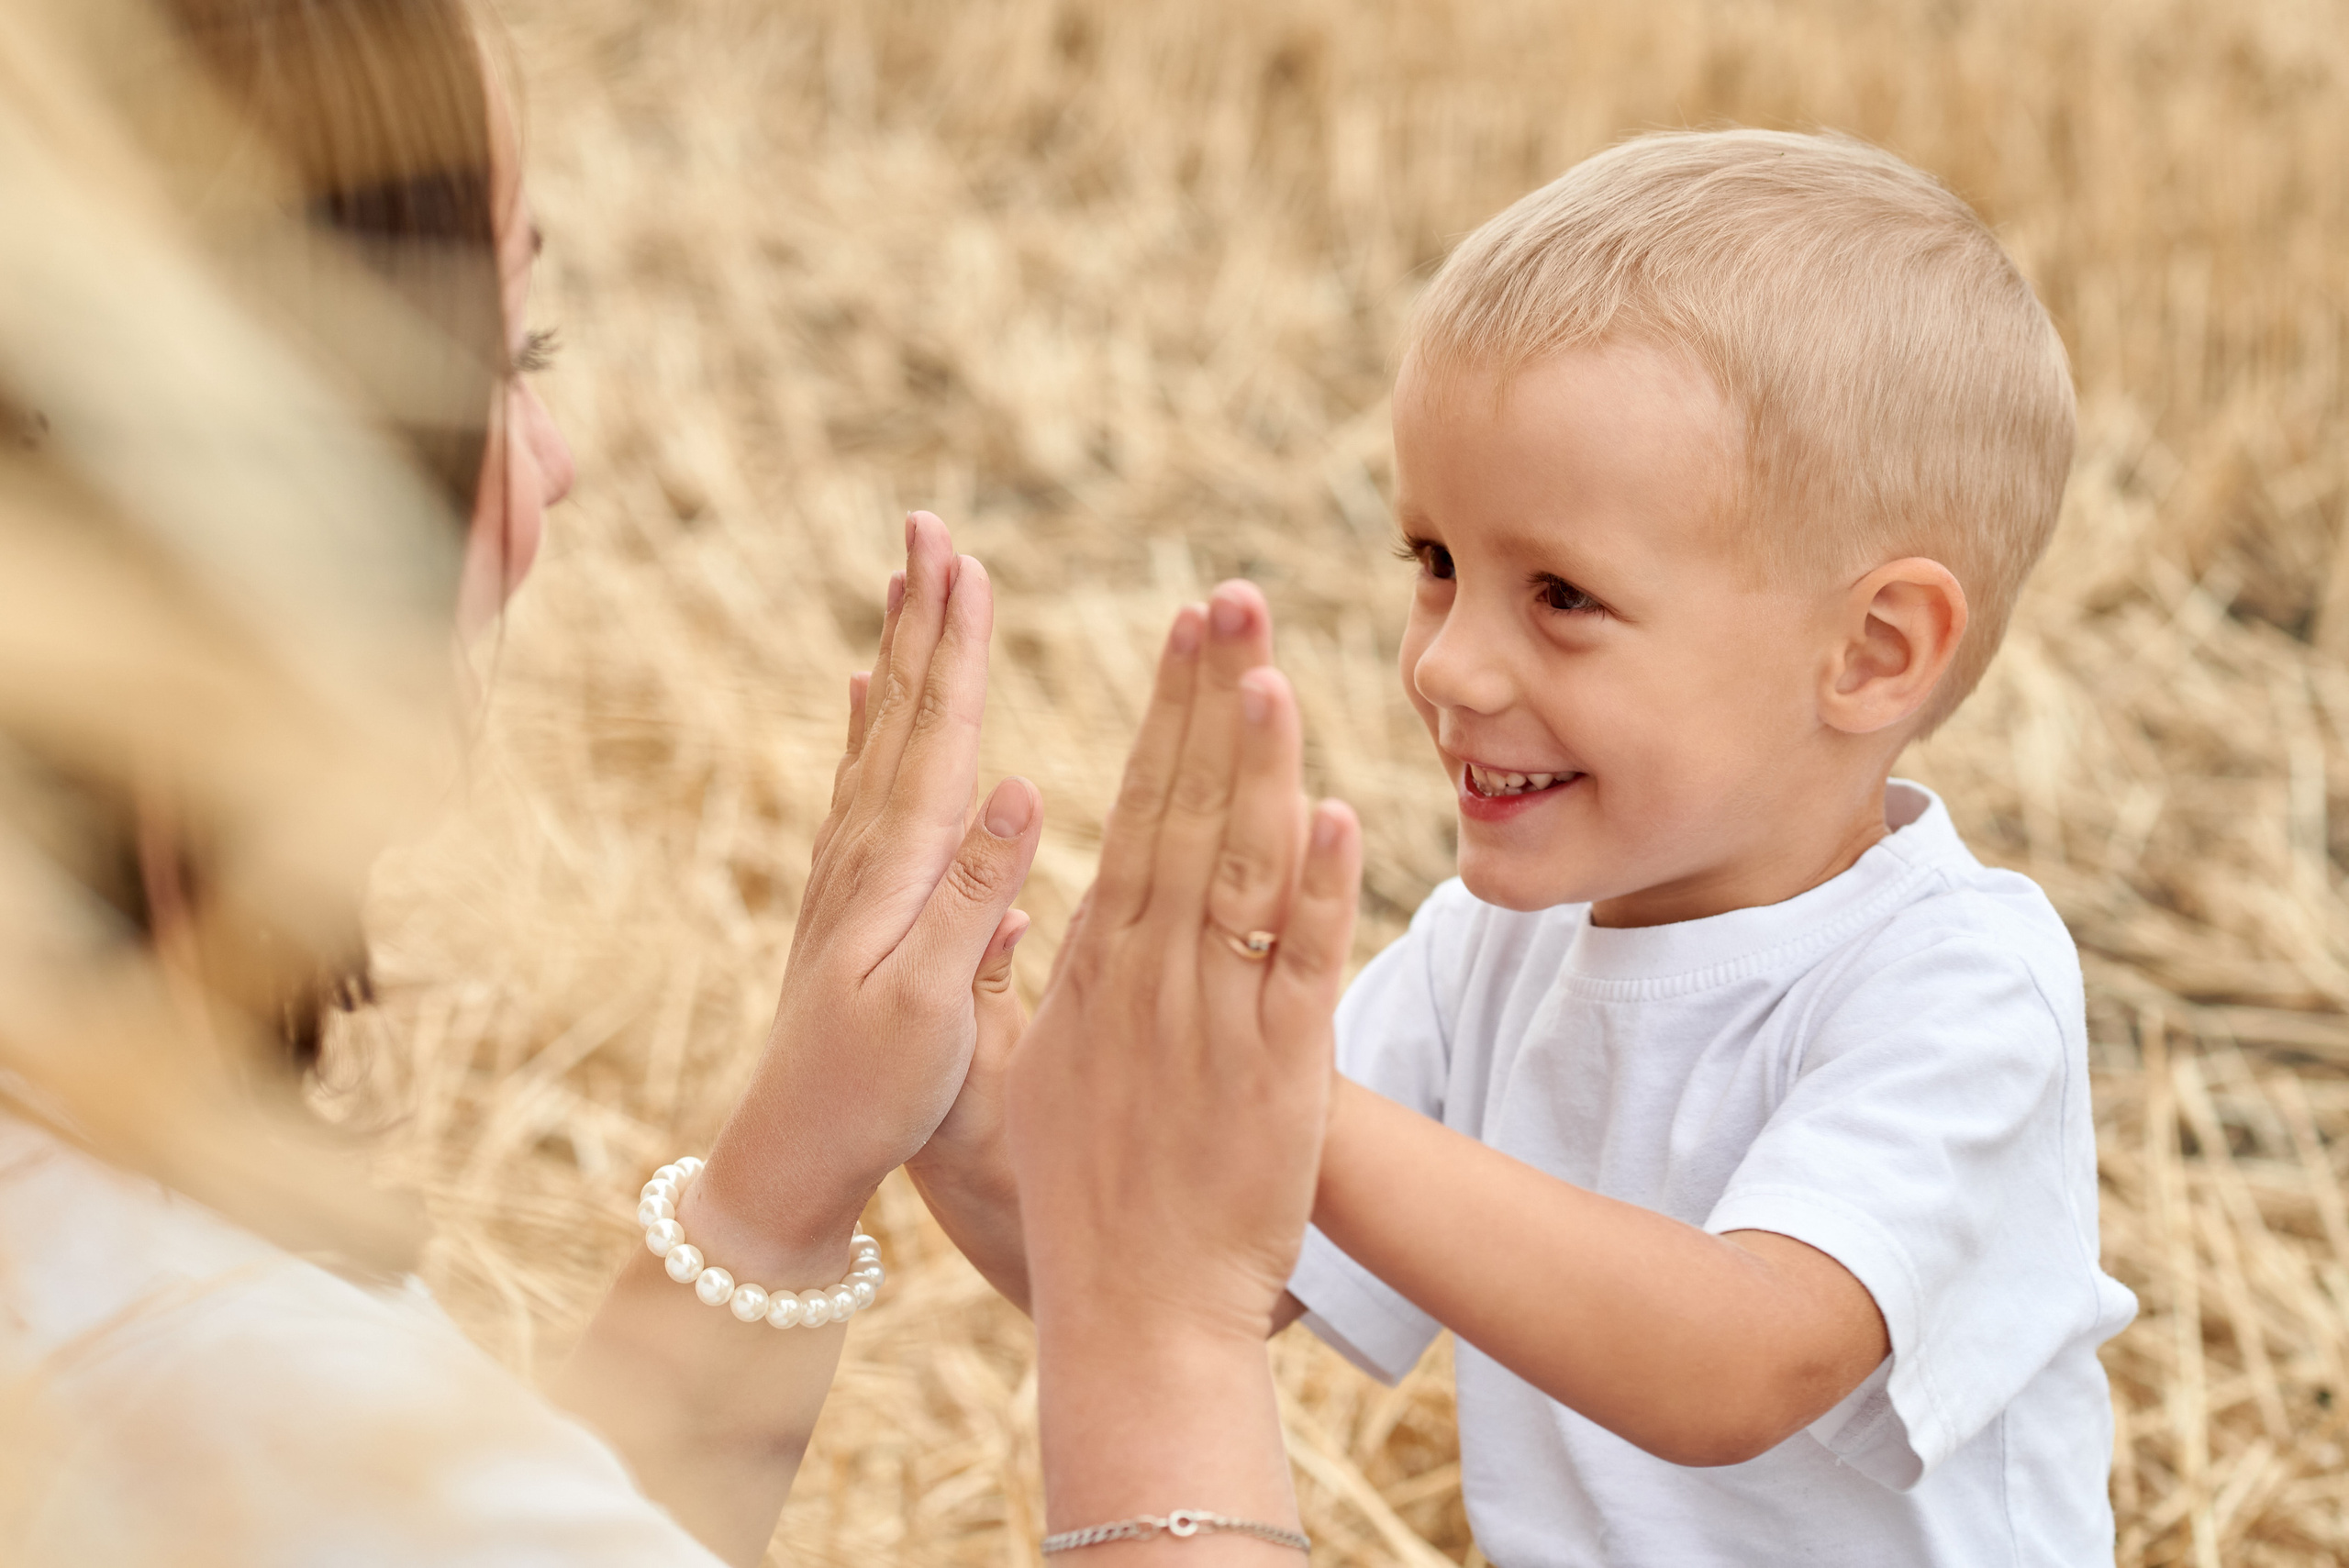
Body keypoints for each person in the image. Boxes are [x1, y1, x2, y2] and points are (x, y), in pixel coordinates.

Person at [0, 1, 1354, 1562]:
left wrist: (792, 1172)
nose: (554, 457)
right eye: (498, 355)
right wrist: (1158, 1319)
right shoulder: (223, 1400)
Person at [916, 130, 2142, 1564]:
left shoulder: (1959, 981)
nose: (1446, 662)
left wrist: (1283, 1104)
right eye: (1436, 563)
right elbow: (1165, 1263)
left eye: (1561, 594)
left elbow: (1738, 1361)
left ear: (1872, 650)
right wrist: (960, 1103)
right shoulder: (1485, 951)